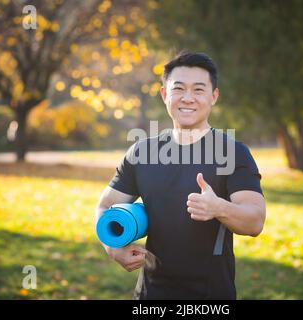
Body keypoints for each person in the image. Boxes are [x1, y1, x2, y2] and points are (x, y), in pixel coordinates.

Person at [95, 51, 266, 300]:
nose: (188, 98)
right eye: (179, 89)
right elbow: (106, 205)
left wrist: (218, 207)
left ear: (214, 96)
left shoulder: (233, 153)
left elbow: (255, 221)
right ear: (165, 94)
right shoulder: (143, 151)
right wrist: (113, 248)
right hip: (149, 296)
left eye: (198, 90)